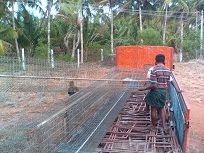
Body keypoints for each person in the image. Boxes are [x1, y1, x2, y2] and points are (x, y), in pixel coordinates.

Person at [139, 54, 173, 131]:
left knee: (153, 109)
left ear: (156, 61)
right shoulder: (168, 70)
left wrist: (144, 88)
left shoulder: (154, 70)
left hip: (156, 92)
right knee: (161, 108)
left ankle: (154, 126)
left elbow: (154, 85)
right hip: (163, 91)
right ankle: (164, 127)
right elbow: (168, 84)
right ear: (164, 61)